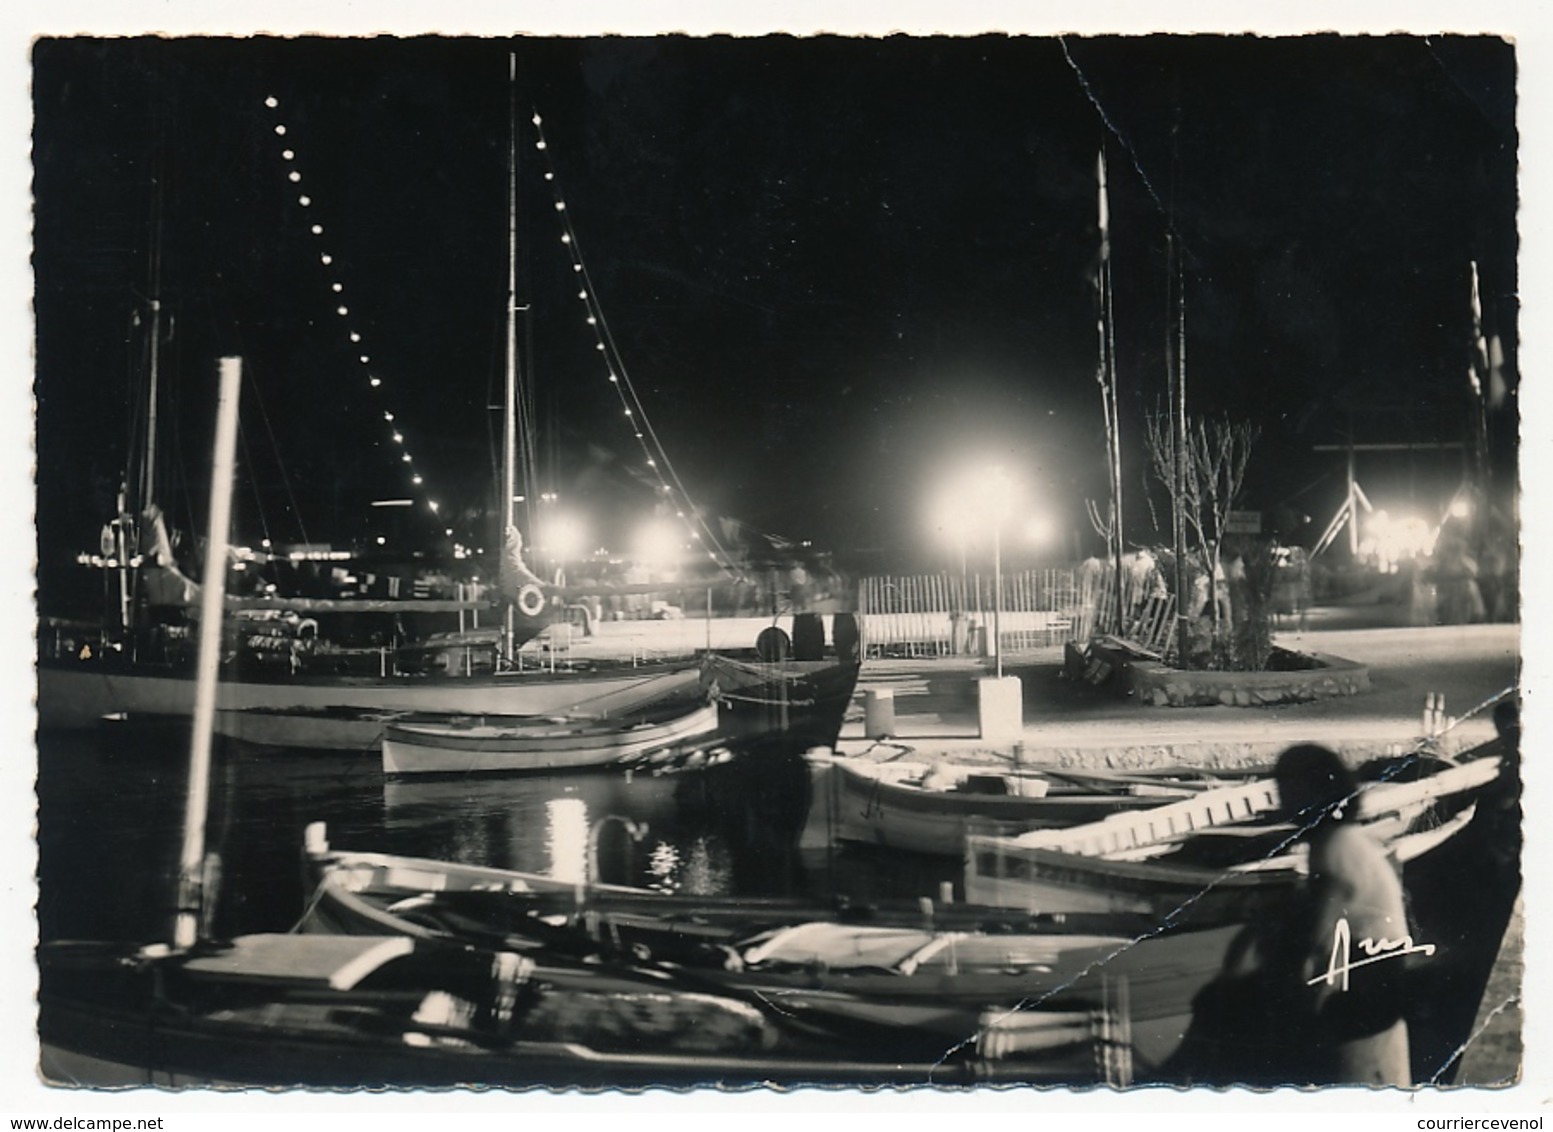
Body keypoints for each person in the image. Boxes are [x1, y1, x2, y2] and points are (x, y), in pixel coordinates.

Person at [1273, 743, 1414, 1086]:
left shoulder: (1332, 847)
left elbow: (1323, 930)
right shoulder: (1345, 840)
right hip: (1380, 972)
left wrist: (1306, 992)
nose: (1283, 803)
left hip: (1367, 980)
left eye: (1288, 791)